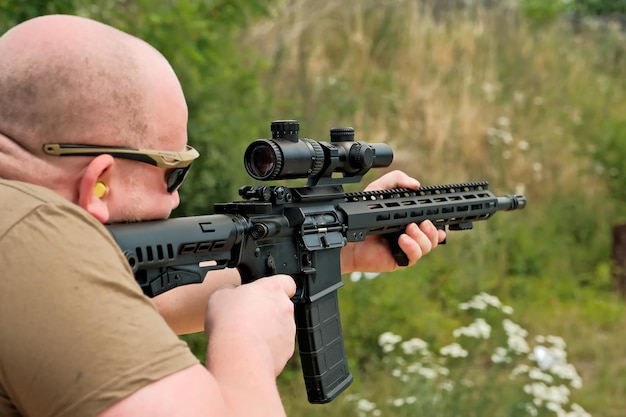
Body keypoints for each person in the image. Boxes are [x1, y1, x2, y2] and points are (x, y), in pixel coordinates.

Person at [0, 14, 446, 417]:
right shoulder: (34, 238)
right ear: (99, 181)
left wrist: (337, 250)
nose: (176, 202)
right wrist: (244, 349)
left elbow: (131, 302)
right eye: (173, 173)